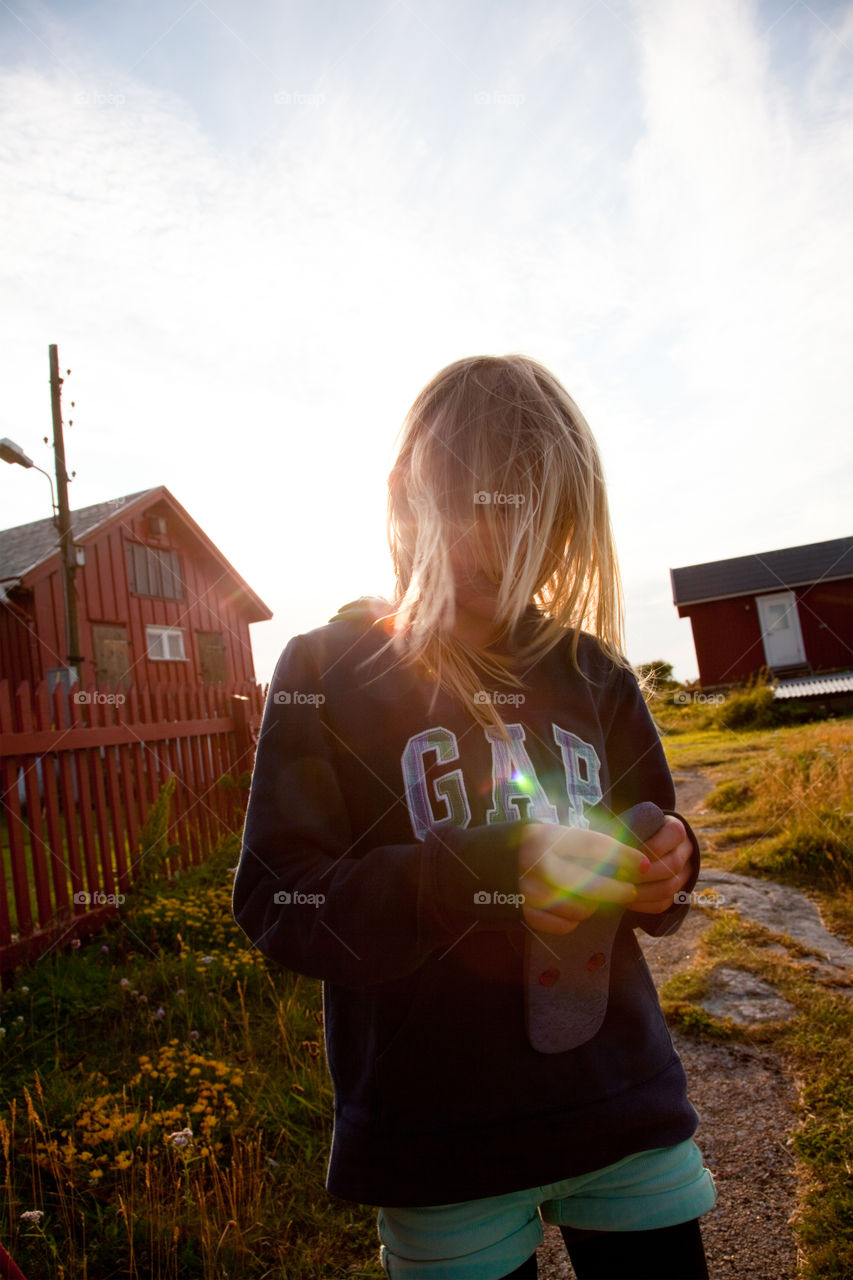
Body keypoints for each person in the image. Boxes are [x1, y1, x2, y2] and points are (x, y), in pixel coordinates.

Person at [232, 355, 716, 1280]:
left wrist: (670, 866)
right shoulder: (325, 669)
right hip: (434, 1140)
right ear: (401, 499)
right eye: (470, 522)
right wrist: (474, 874)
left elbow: (656, 861)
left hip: (622, 1106)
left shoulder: (595, 673)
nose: (497, 556)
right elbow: (278, 901)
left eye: (533, 529)